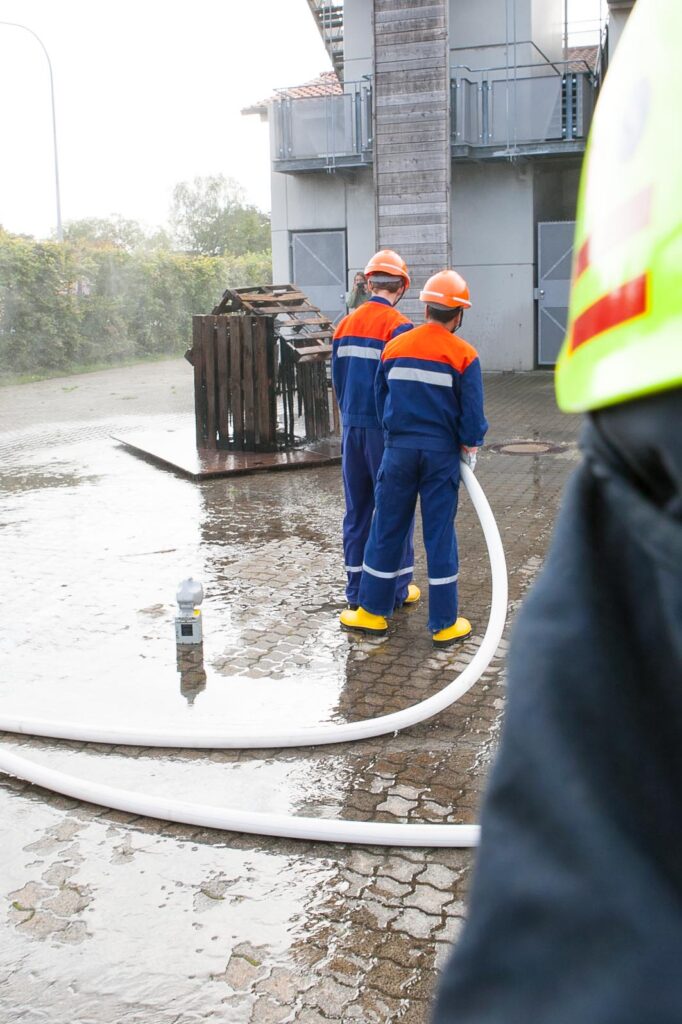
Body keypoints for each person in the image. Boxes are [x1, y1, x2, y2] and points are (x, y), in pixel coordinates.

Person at [432, 0, 682, 1019]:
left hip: (644, 363)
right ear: (452, 307)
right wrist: (471, 442)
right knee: (434, 551)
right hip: (635, 355)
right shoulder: (447, 348)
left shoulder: (386, 335)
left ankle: (379, 609)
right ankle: (434, 616)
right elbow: (471, 406)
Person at [340, 270, 487, 644]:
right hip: (440, 457)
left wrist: (393, 438)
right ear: (458, 315)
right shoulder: (465, 356)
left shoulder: (395, 347)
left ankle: (371, 613)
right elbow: (472, 419)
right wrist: (470, 445)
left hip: (398, 452)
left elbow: (380, 399)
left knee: (386, 528)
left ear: (425, 308)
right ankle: (444, 623)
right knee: (439, 535)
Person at [332, 249, 419, 610]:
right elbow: (403, 390)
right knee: (394, 509)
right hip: (385, 434)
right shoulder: (400, 328)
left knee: (357, 511)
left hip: (351, 429)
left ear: (369, 284)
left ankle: (355, 591)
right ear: (402, 287)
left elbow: (337, 381)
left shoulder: (343, 325)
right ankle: (396, 590)